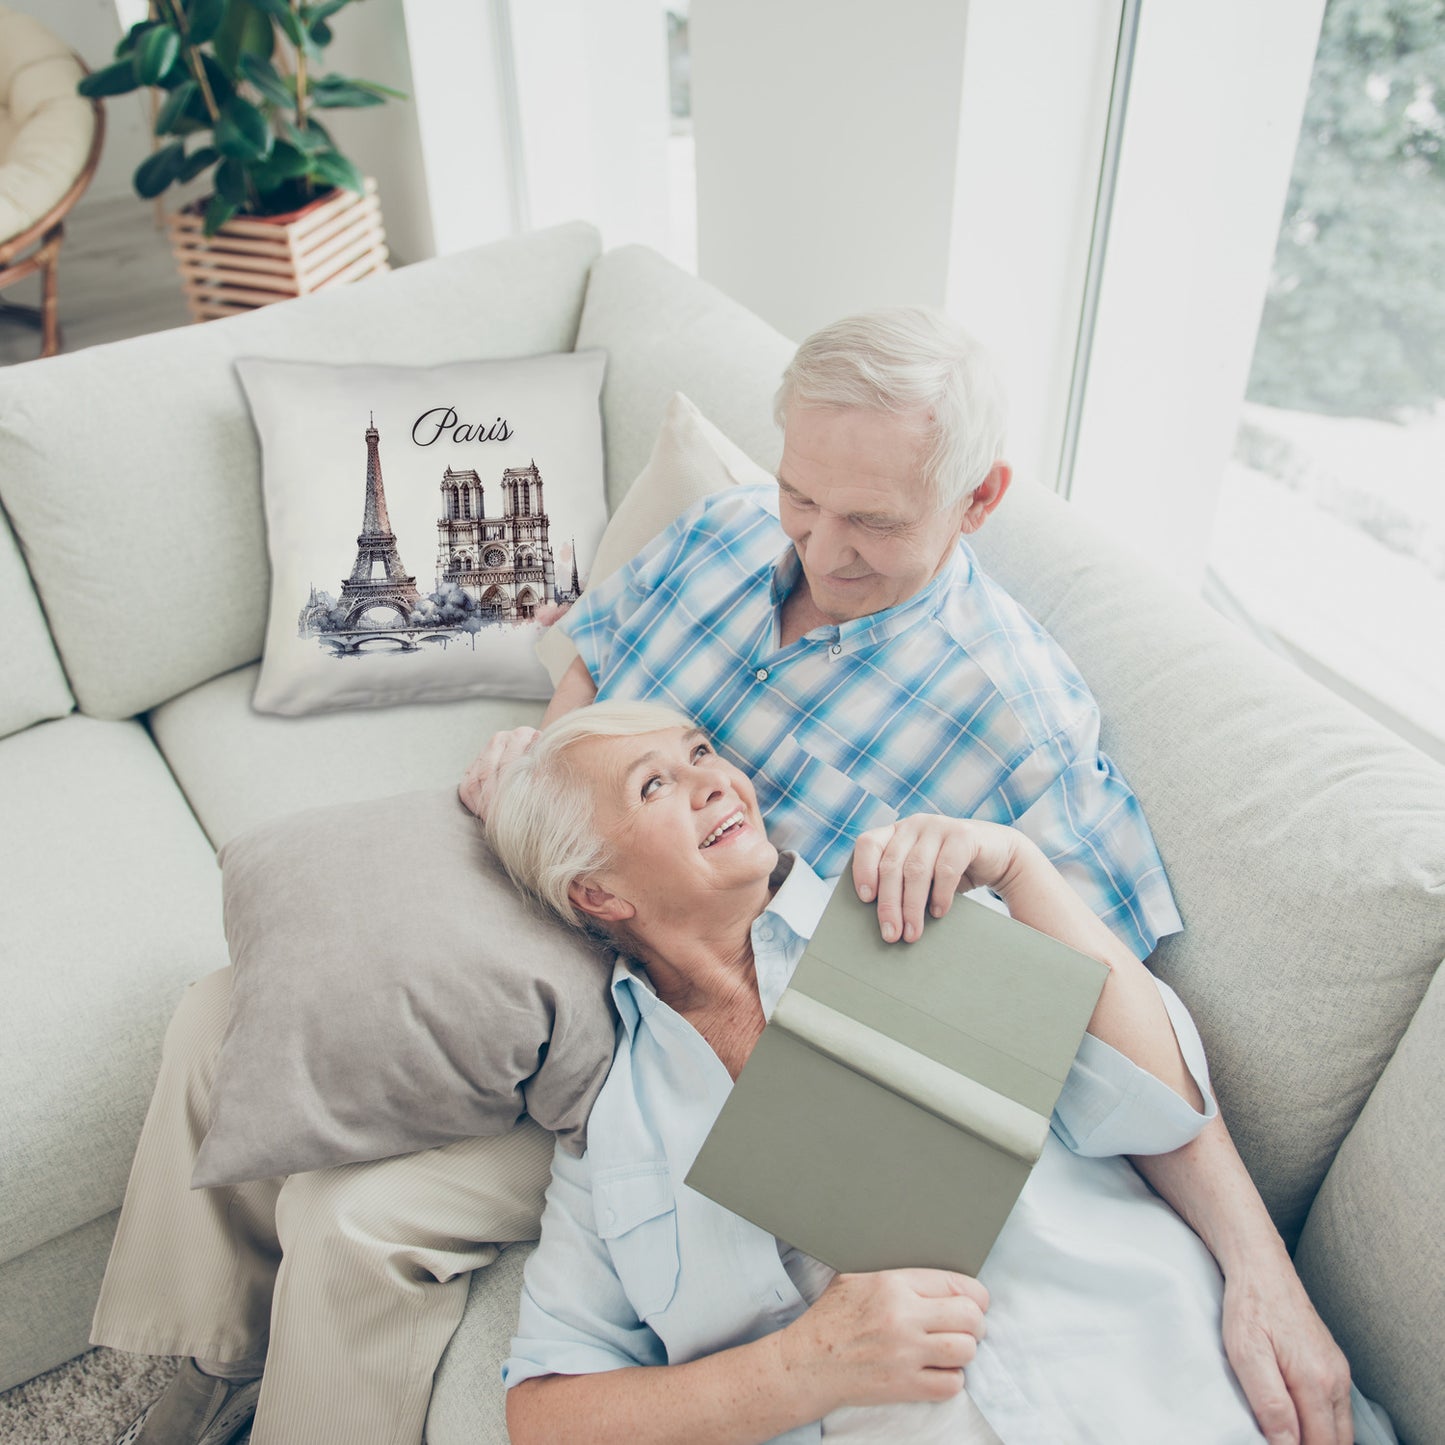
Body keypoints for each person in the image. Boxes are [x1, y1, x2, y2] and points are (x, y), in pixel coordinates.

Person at [95, 309, 1348, 1445]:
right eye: (804, 495)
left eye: (871, 520)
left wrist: (1259, 1266)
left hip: (691, 1013)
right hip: (578, 886)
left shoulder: (1016, 724)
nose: (818, 545)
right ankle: (188, 1365)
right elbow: (592, 665)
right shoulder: (724, 532)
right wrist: (546, 761)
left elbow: (1103, 1019)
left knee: (355, 1219)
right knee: (228, 1008)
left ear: (976, 501)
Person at [486, 701, 1384, 1445]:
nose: (714, 779)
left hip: (1173, 1392)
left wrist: (1021, 869)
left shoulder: (908, 906)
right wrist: (803, 1367)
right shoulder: (614, 1132)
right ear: (597, 893)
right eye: (655, 784)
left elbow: (1158, 1106)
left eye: (700, 751)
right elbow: (545, 1412)